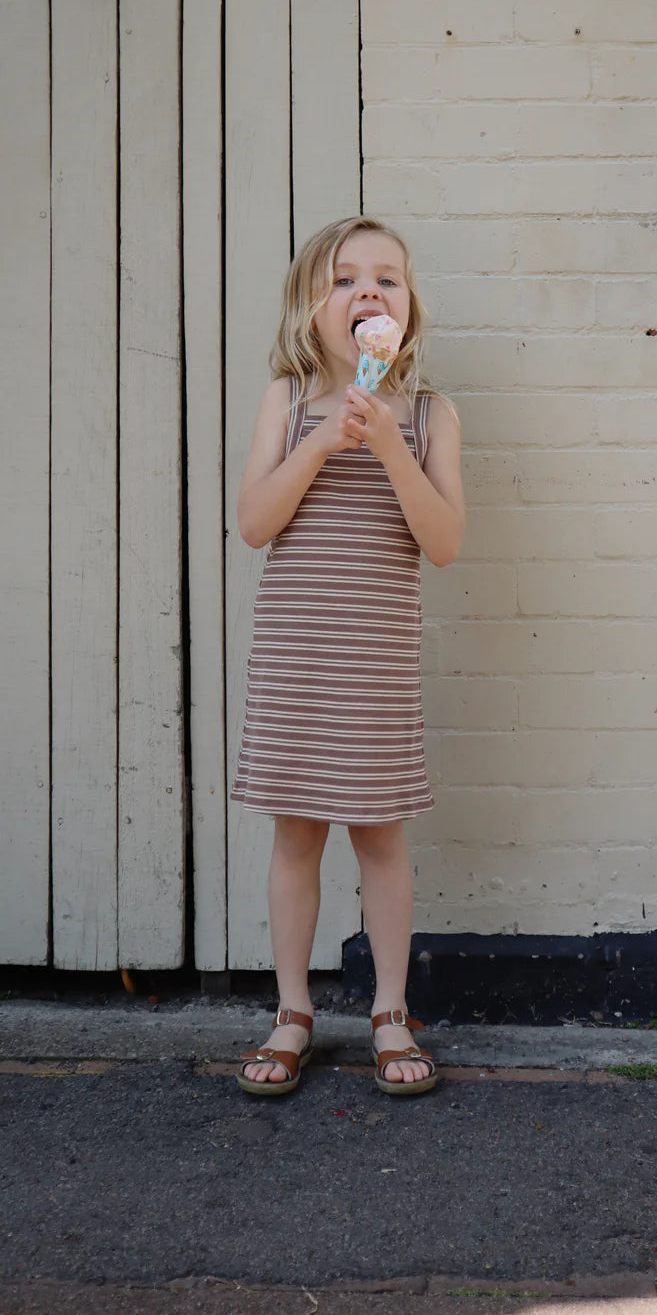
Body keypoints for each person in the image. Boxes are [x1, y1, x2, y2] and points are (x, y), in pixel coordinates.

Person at [231, 217, 464, 1097]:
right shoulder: (284, 403)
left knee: (379, 836)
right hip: (296, 657)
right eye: (345, 280)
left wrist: (391, 449)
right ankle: (293, 1010)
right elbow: (256, 524)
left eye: (388, 280)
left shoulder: (431, 414)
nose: (368, 292)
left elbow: (442, 542)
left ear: (408, 311)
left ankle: (390, 1012)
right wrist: (324, 442)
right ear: (310, 307)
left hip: (374, 662)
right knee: (296, 835)